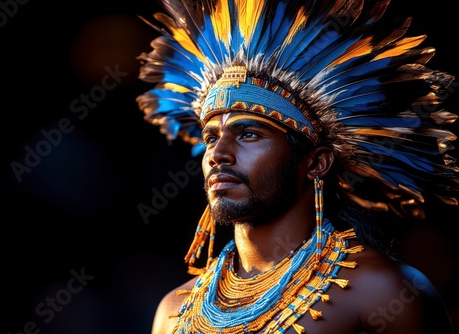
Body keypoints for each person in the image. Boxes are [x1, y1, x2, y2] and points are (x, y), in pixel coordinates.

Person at [135, 0, 459, 332]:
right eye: (211, 136)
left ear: (316, 163)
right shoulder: (173, 312)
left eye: (248, 133)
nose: (219, 153)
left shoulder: (381, 292)